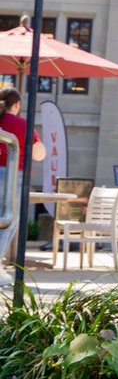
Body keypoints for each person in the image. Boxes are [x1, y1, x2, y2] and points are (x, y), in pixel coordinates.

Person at [0, 86, 46, 287]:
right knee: (8, 220)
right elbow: (39, 154)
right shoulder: (21, 124)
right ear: (17, 104)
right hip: (12, 176)